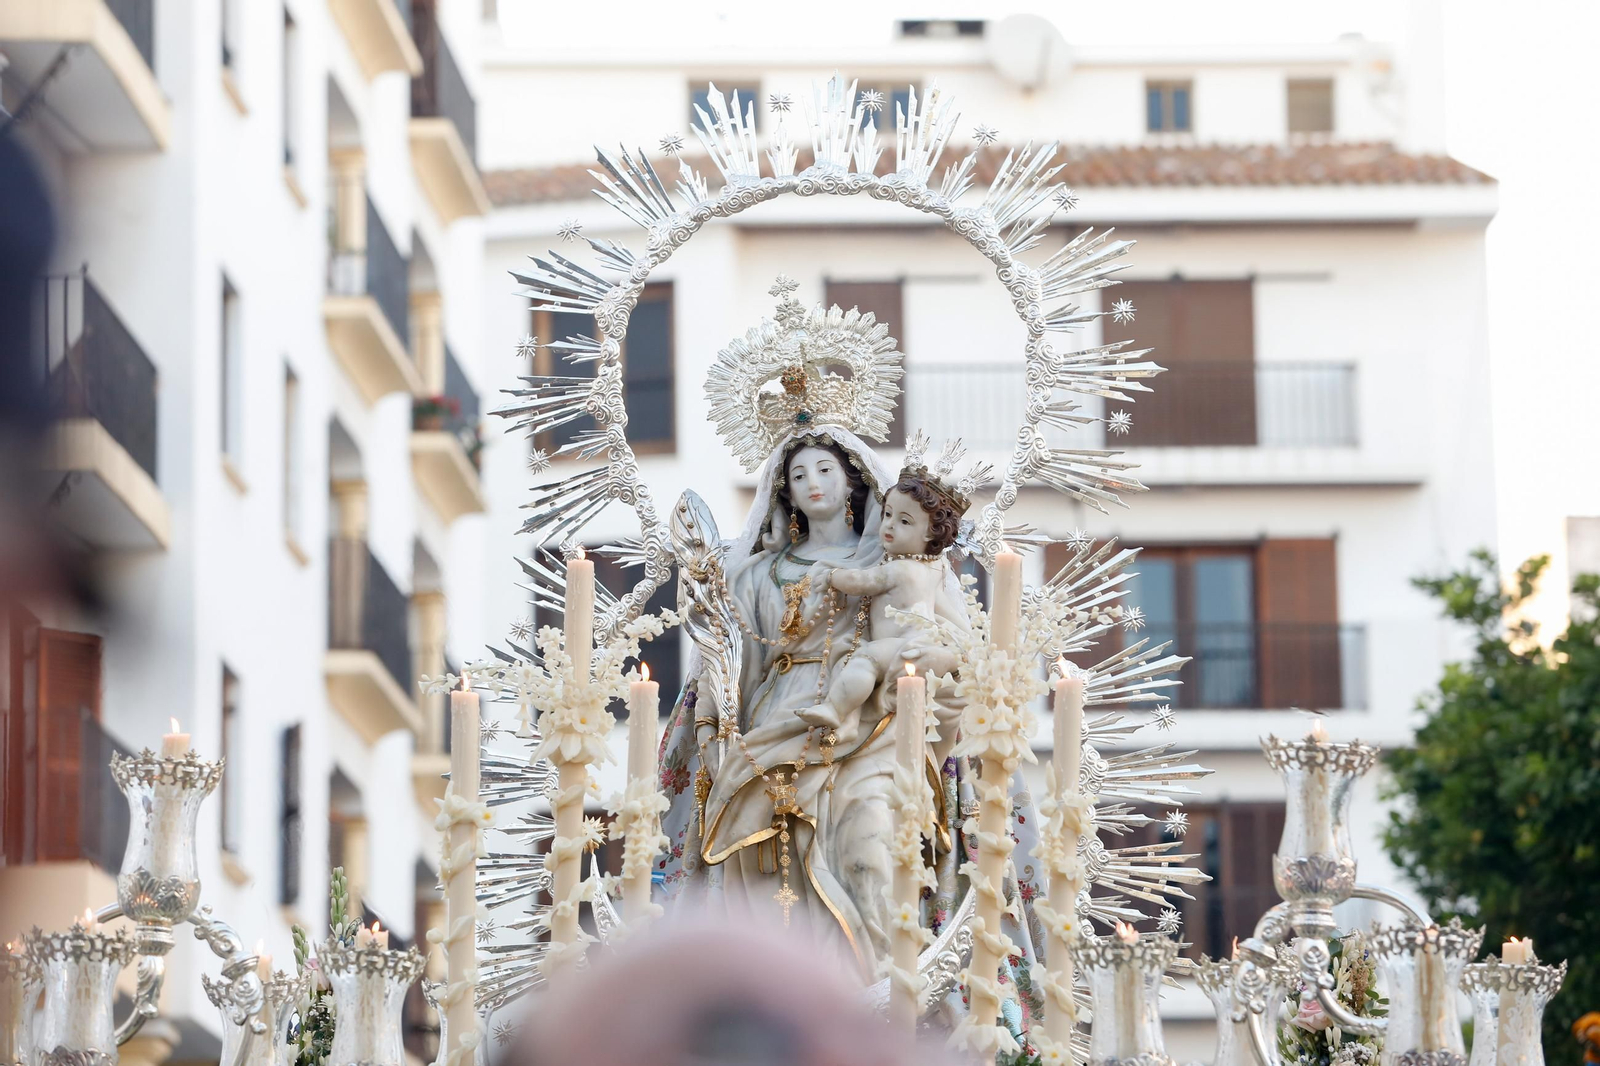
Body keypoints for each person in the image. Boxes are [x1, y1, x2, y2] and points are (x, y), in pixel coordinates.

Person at [798, 469, 967, 745]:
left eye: (904, 521)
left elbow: (861, 581)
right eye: (887, 514)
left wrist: (832, 576)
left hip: (903, 645)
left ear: (931, 533)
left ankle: (834, 709)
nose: (889, 525)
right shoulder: (935, 568)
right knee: (848, 662)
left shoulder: (899, 569)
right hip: (920, 644)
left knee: (863, 661)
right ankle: (849, 724)